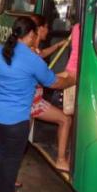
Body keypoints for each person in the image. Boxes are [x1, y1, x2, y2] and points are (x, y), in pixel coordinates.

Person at [0, 17, 70, 192]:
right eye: (34, 36)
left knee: (4, 158)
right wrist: (71, 80)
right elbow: (54, 83)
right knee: (9, 160)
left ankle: (7, 191)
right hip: (15, 121)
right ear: (31, 35)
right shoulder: (31, 59)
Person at [28, 14, 72, 171]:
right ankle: (61, 160)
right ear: (39, 30)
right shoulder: (32, 55)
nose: (49, 30)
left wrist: (58, 46)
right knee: (65, 120)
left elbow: (41, 54)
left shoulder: (30, 49)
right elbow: (48, 79)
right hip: (32, 102)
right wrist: (70, 78)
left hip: (31, 99)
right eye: (46, 27)